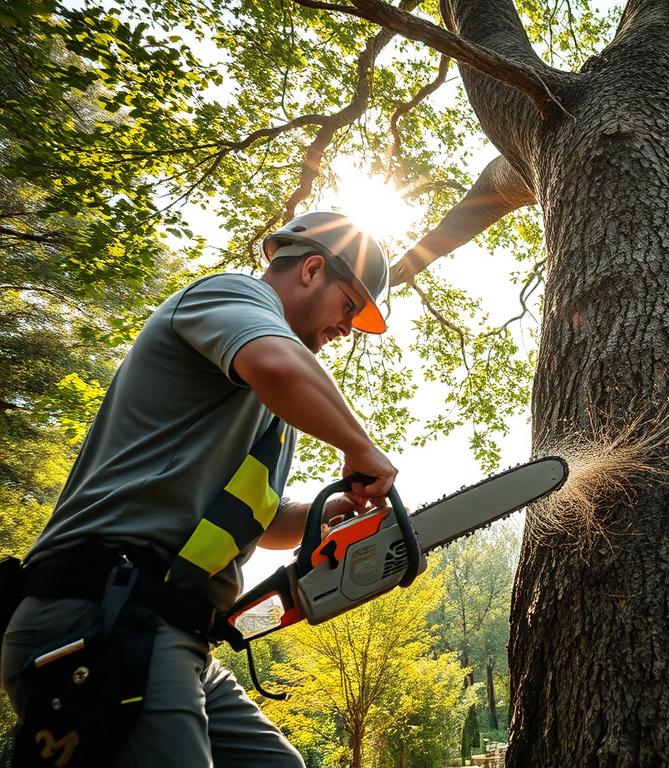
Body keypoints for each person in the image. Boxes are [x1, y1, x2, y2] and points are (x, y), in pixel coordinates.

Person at [1, 212, 397, 767]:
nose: (347, 328)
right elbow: (279, 365)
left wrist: (321, 513)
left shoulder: (267, 406)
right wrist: (359, 446)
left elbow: (256, 516)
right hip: (102, 606)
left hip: (171, 628)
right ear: (311, 269)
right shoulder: (228, 297)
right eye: (349, 308)